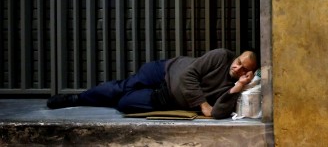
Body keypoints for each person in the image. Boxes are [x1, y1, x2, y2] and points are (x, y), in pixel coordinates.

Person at [46, 48, 258, 119]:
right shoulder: (221, 56)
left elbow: (218, 113)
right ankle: (77, 98)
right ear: (236, 57)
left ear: (250, 74)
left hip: (166, 97)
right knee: (123, 87)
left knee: (122, 104)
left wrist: (237, 87)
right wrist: (203, 105)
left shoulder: (236, 86)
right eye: (239, 62)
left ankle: (103, 98)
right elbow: (188, 76)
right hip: (165, 70)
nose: (238, 69)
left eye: (244, 70)